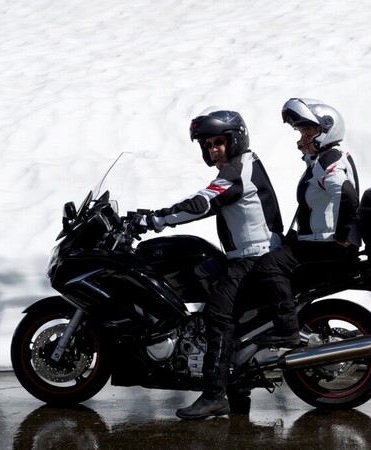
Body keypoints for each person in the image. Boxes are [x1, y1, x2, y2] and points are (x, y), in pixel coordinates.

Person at [137, 108, 283, 420]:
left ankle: (215, 395)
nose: (213, 149)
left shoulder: (236, 172)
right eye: (208, 144)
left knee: (218, 314)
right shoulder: (242, 164)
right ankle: (237, 381)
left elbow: (203, 202)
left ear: (235, 140)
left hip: (253, 258)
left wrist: (156, 218)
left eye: (219, 142)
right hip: (253, 253)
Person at [246, 98, 360, 347]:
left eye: (310, 130)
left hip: (328, 245)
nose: (303, 136)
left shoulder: (329, 160)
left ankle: (287, 330)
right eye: (301, 130)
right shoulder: (322, 160)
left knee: (268, 267)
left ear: (327, 130)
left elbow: (347, 194)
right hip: (319, 240)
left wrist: (342, 236)